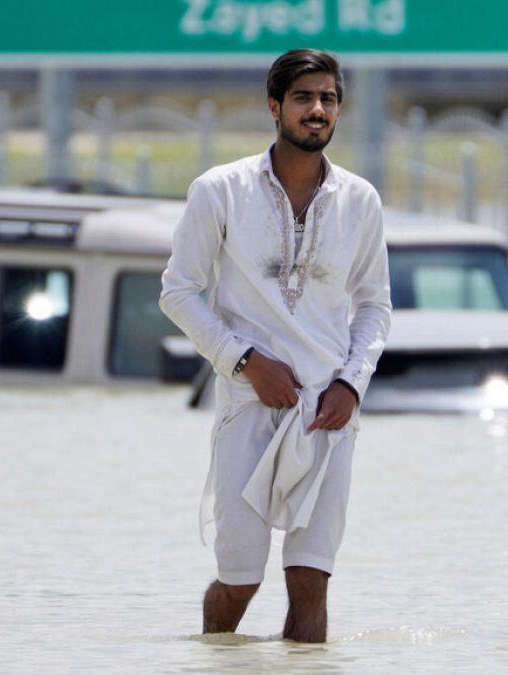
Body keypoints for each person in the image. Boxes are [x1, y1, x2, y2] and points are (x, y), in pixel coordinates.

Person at [159, 48, 391, 642]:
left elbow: (374, 306)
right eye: (303, 98)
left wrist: (350, 385)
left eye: (329, 99)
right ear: (274, 107)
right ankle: (215, 657)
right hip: (249, 404)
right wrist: (245, 360)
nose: (317, 110)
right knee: (240, 577)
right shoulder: (220, 190)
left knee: (311, 579)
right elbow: (178, 293)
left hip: (327, 412)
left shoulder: (360, 200)